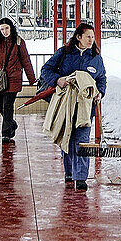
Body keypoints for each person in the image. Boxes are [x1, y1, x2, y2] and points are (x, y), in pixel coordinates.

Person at [38, 22, 107, 191]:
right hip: (66, 104)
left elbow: (102, 78)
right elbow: (46, 69)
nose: (91, 40)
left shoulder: (96, 57)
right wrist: (58, 80)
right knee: (67, 136)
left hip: (86, 106)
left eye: (93, 37)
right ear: (78, 37)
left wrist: (100, 92)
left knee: (82, 140)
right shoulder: (64, 53)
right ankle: (69, 172)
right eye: (88, 36)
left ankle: (81, 177)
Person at [0, 17, 36, 144]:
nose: (5, 31)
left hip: (13, 79)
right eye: (2, 29)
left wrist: (31, 78)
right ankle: (11, 123)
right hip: (0, 80)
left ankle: (6, 134)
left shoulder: (19, 42)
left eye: (6, 28)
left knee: (7, 106)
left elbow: (26, 60)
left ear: (11, 28)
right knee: (0, 105)